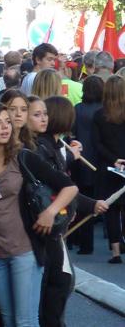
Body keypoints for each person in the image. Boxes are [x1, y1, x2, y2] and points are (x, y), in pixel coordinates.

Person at [0, 103, 78, 327]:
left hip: (25, 252)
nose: (5, 127)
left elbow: (69, 187)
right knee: (7, 319)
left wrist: (50, 212)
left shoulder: (23, 158)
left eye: (8, 122)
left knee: (25, 320)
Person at [35, 96, 108, 327]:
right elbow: (57, 187)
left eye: (44, 114)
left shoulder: (53, 146)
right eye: (37, 114)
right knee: (58, 282)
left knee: (60, 282)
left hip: (55, 225)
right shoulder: (42, 148)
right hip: (49, 228)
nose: (43, 119)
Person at [93, 75, 125, 263]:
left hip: (108, 166)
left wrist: (114, 160)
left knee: (111, 209)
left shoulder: (99, 115)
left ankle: (115, 252)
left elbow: (97, 144)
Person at [73, 76, 105, 254]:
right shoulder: (105, 110)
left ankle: (84, 243)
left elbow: (72, 134)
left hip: (82, 159)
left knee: (84, 203)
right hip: (100, 160)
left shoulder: (78, 109)